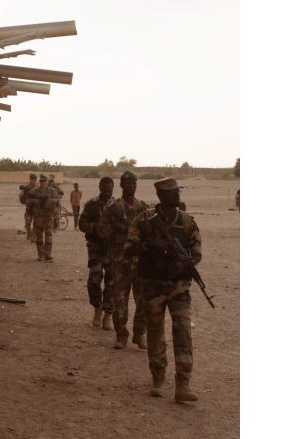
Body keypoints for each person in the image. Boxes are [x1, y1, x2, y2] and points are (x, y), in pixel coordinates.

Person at [124, 177, 202, 402]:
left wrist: (184, 263)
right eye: (173, 192)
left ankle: (182, 385)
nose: (178, 195)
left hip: (179, 287)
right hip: (153, 286)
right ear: (161, 196)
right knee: (156, 332)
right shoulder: (144, 220)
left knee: (183, 331)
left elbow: (196, 252)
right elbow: (129, 249)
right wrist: (149, 245)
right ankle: (158, 377)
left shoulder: (187, 221)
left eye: (178, 191)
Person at [97, 170, 148, 349]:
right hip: (120, 261)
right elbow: (101, 231)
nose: (131, 186)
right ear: (121, 185)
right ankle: (121, 335)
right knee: (120, 300)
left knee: (143, 300)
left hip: (140, 263)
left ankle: (140, 334)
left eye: (133, 184)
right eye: (127, 184)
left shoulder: (143, 207)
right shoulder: (113, 207)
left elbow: (150, 232)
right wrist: (116, 228)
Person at [78, 177, 115, 330]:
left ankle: (108, 315)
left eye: (110, 190)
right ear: (99, 188)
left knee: (112, 283)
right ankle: (97, 309)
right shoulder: (91, 205)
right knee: (94, 279)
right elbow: (82, 224)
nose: (107, 192)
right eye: (104, 189)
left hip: (113, 249)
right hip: (95, 247)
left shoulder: (118, 206)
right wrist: (95, 227)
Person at [26, 174, 59, 262]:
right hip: (38, 217)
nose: (42, 183)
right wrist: (36, 201)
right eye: (41, 181)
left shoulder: (52, 191)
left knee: (48, 235)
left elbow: (57, 201)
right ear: (39, 182)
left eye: (44, 181)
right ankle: (41, 255)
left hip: (48, 216)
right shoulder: (34, 191)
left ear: (46, 182)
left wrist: (48, 201)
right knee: (39, 237)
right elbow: (28, 201)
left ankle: (48, 255)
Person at [19, 173, 37, 240]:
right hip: (28, 209)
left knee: (35, 224)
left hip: (36, 209)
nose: (31, 181)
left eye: (33, 179)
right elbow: (21, 197)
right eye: (30, 179)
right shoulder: (26, 187)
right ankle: (29, 233)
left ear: (35, 180)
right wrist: (22, 194)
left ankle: (33, 237)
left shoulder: (38, 188)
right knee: (27, 223)